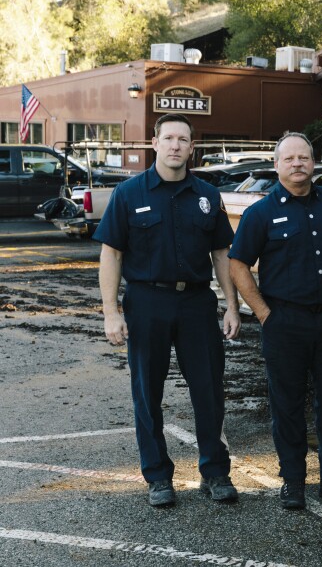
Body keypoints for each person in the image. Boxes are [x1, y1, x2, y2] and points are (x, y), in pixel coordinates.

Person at [96, 113, 241, 507]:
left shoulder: (209, 196)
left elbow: (222, 254)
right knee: (147, 392)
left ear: (192, 147)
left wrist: (232, 305)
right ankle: (158, 476)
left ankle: (215, 472)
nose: (176, 145)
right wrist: (111, 311)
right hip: (146, 302)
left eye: (183, 139)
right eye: (169, 138)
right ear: (154, 142)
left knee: (209, 391)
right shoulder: (129, 194)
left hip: (197, 302)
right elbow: (111, 254)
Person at [228, 132, 322, 509]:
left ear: (314, 163)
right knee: (287, 405)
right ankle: (292, 480)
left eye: (304, 158)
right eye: (290, 158)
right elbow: (237, 264)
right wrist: (263, 313)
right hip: (285, 322)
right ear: (276, 165)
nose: (298, 164)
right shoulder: (260, 213)